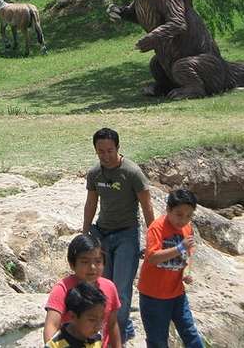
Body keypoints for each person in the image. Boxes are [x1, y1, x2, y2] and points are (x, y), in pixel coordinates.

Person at [82, 127, 155, 344]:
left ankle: (118, 338)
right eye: (101, 151)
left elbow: (147, 205)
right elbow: (91, 202)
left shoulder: (132, 172)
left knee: (121, 289)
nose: (105, 156)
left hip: (126, 235)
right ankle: (115, 328)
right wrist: (85, 231)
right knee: (103, 287)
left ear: (118, 148)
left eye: (109, 151)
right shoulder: (95, 173)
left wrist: (154, 238)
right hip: (102, 234)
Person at [137, 189, 204, 348]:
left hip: (176, 293)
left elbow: (188, 255)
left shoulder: (187, 229)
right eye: (179, 214)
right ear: (168, 209)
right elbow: (153, 257)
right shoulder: (157, 228)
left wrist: (187, 273)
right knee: (157, 339)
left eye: (189, 216)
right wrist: (179, 247)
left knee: (189, 331)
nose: (183, 220)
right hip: (153, 295)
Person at [44, 234, 122, 348]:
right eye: (85, 262)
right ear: (72, 264)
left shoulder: (109, 287)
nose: (92, 267)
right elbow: (51, 325)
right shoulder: (62, 289)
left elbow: (112, 324)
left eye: (98, 261)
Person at [45, 282, 107, 348]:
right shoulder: (55, 345)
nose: (99, 326)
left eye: (102, 319)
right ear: (72, 316)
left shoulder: (97, 336)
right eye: (92, 320)